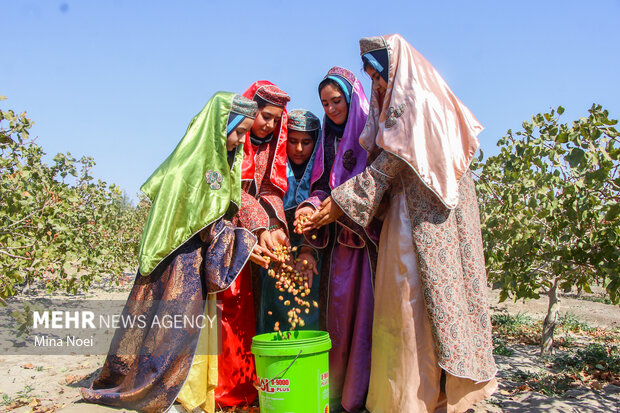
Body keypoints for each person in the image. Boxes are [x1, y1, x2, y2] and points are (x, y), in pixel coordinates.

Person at [306, 34, 498, 412]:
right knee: (405, 310)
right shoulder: (403, 103)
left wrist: (340, 202)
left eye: (379, 76)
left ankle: (416, 399)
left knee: (416, 308)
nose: (377, 85)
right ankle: (407, 396)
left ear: (395, 70)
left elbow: (390, 162)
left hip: (427, 221)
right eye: (372, 78)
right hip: (406, 214)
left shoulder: (417, 101)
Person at [80, 92, 265, 413]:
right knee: (174, 331)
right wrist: (245, 244)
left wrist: (240, 240)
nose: (238, 140)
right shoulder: (192, 168)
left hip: (191, 260)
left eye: (243, 133)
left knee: (183, 330)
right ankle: (170, 394)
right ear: (218, 126)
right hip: (178, 262)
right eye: (236, 131)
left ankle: (187, 394)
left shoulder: (216, 167)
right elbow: (204, 222)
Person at [294, 66, 379, 412]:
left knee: (366, 320)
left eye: (336, 101)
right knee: (337, 320)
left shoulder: (370, 138)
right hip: (335, 250)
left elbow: (378, 188)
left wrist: (342, 205)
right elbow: (319, 187)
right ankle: (336, 395)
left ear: (351, 98)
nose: (330, 109)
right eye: (325, 103)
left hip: (367, 247)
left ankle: (362, 395)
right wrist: (310, 207)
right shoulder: (327, 140)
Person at [214, 81, 291, 408]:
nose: (269, 125)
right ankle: (221, 391)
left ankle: (242, 389)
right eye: (265, 116)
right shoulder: (228, 142)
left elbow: (271, 191)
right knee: (224, 311)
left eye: (276, 120)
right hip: (224, 233)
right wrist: (259, 226)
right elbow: (232, 191)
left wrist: (276, 228)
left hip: (249, 241)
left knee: (245, 312)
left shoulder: (269, 149)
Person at [257, 109, 322, 334]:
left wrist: (307, 249)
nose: (299, 149)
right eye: (292, 141)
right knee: (274, 301)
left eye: (306, 142)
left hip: (313, 250)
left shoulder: (322, 171)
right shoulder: (270, 169)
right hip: (276, 249)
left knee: (310, 301)